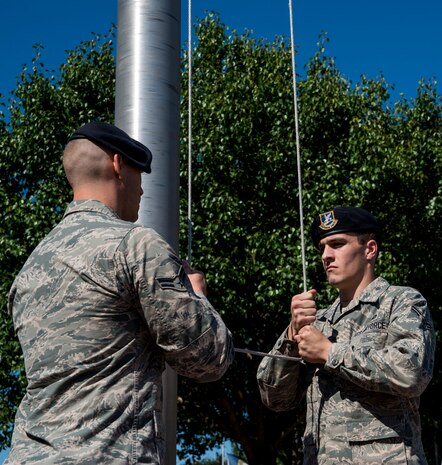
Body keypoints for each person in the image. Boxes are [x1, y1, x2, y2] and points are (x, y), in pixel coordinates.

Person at [6, 122, 234, 465]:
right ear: (117, 165)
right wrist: (197, 294)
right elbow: (206, 359)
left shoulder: (29, 270)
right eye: (139, 175)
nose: (142, 190)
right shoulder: (135, 244)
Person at [257, 206, 435, 465]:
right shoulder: (317, 321)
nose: (326, 256)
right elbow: (275, 398)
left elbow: (412, 373)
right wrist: (291, 333)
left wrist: (330, 353)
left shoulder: (402, 301)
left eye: (337, 244)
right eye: (322, 248)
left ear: (369, 249)